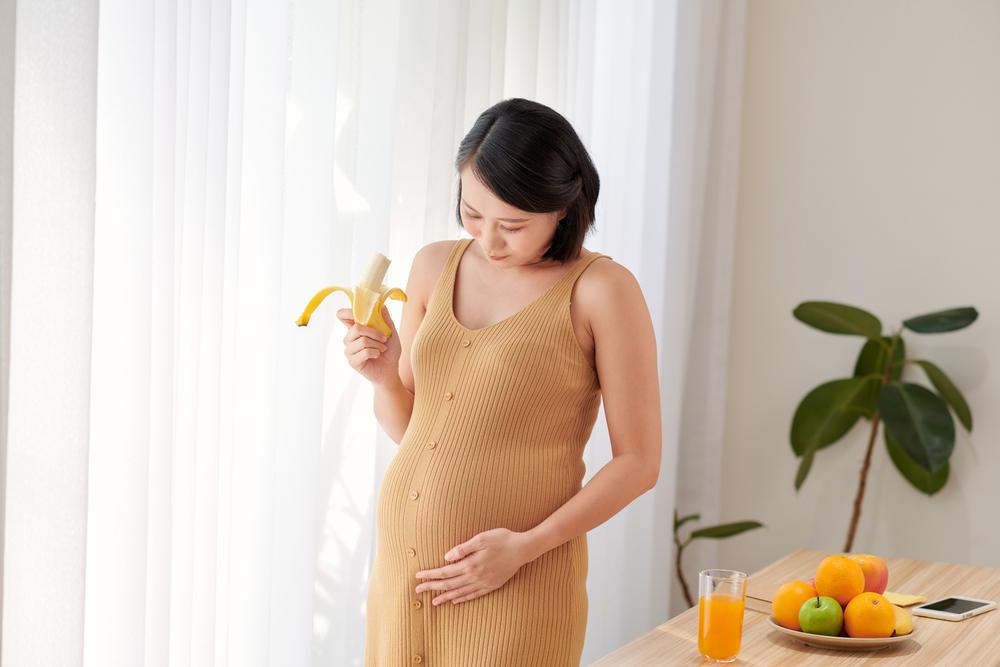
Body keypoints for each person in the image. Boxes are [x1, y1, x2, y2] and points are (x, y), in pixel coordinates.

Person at [339, 98, 661, 667]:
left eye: (513, 225)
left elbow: (639, 462)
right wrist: (385, 379)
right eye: (472, 214)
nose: (489, 241)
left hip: (519, 578)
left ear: (563, 208)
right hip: (404, 570)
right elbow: (414, 431)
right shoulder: (433, 266)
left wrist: (524, 548)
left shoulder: (602, 290)